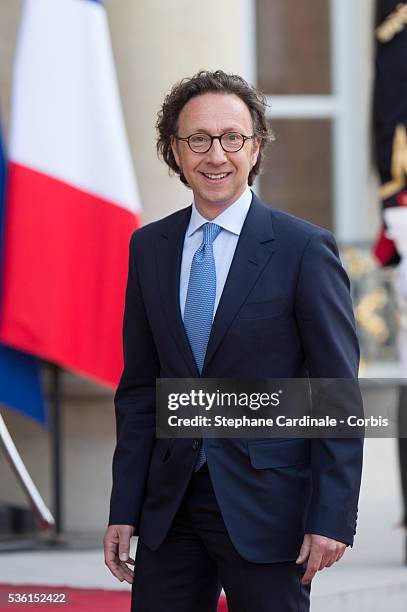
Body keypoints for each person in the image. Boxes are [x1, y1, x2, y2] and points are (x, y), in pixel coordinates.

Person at [103, 70, 363, 612]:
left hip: (271, 512)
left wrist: (331, 516)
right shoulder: (149, 248)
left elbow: (336, 393)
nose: (215, 154)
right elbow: (138, 393)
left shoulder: (303, 249)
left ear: (255, 146)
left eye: (232, 138)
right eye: (197, 138)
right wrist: (123, 506)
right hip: (169, 509)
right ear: (174, 150)